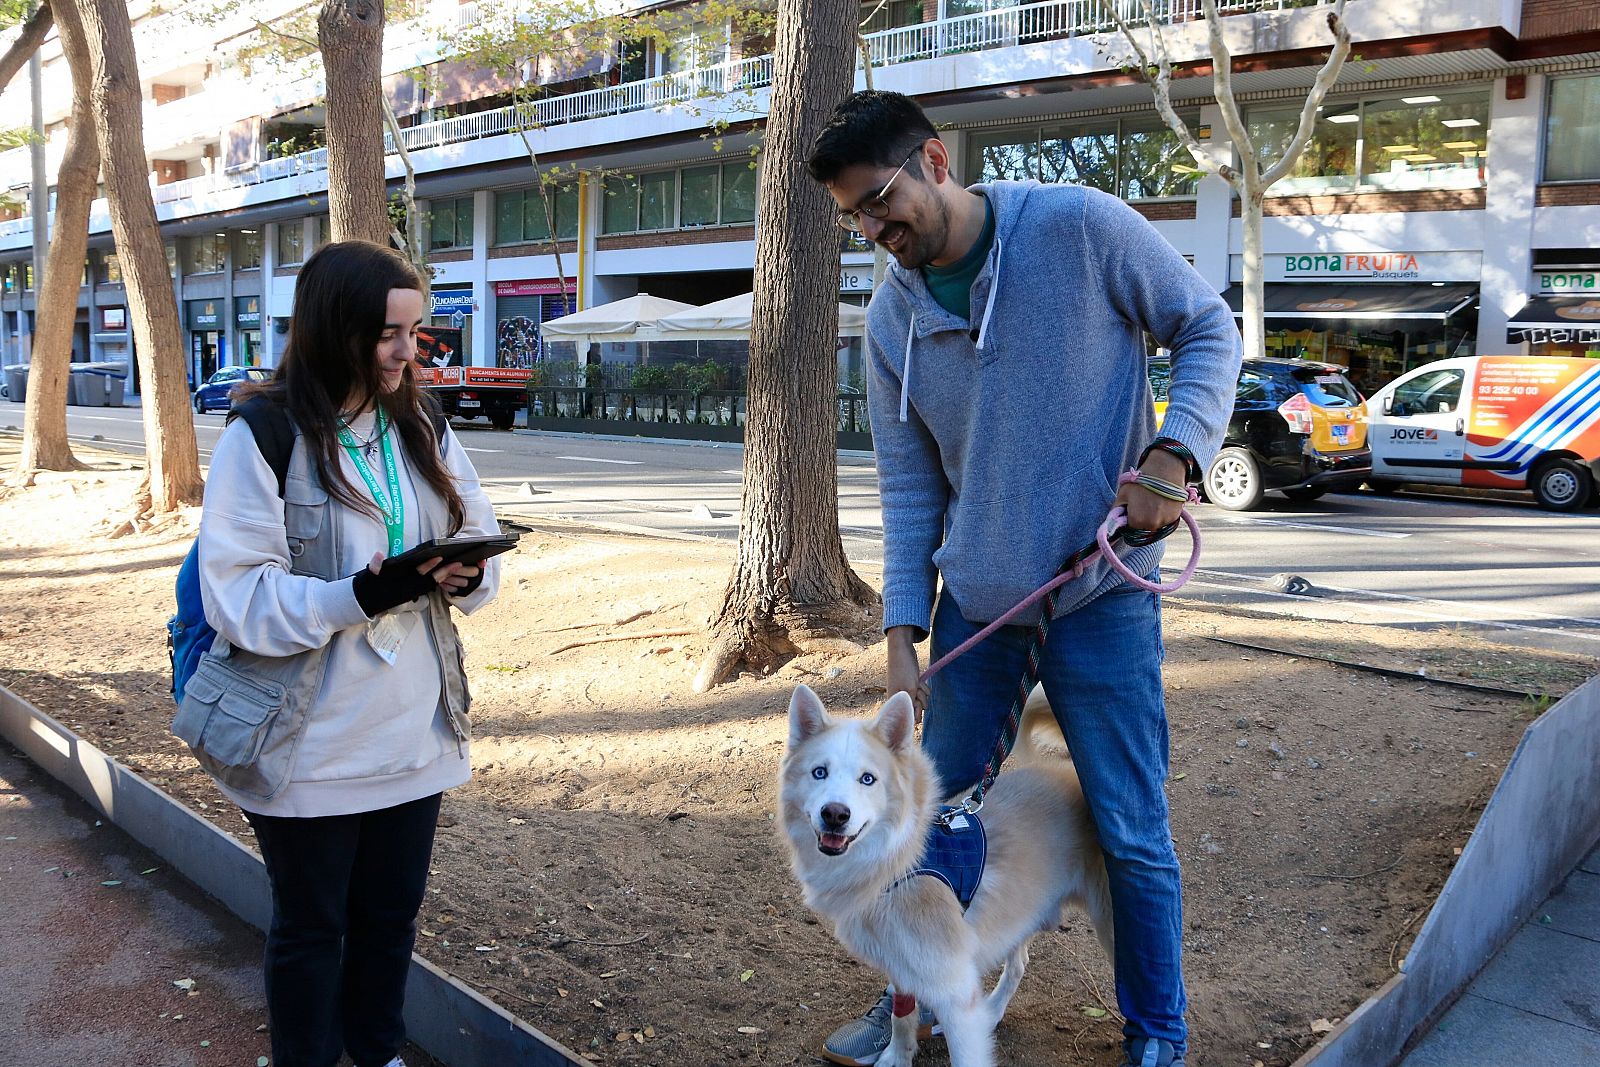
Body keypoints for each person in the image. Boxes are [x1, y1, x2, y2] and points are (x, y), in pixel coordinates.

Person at [805, 91, 1242, 1067]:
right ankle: (913, 1001)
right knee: (923, 833)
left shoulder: (1078, 228)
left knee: (1129, 829)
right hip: (976, 606)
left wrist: (1175, 454)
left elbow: (1207, 327)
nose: (876, 231)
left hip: (1101, 594)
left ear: (935, 159)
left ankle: (1156, 1030)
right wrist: (900, 640)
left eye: (882, 201)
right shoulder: (891, 319)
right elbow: (909, 485)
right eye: (855, 219)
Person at [195, 240, 503, 1067]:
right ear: (337, 329)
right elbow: (238, 595)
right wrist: (356, 595)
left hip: (412, 732)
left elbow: (478, 546)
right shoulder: (264, 433)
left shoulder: (423, 422)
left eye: (416, 330)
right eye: (388, 334)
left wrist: (468, 571)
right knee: (311, 927)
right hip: (307, 739)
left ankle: (379, 1053)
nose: (411, 351)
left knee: (390, 919)